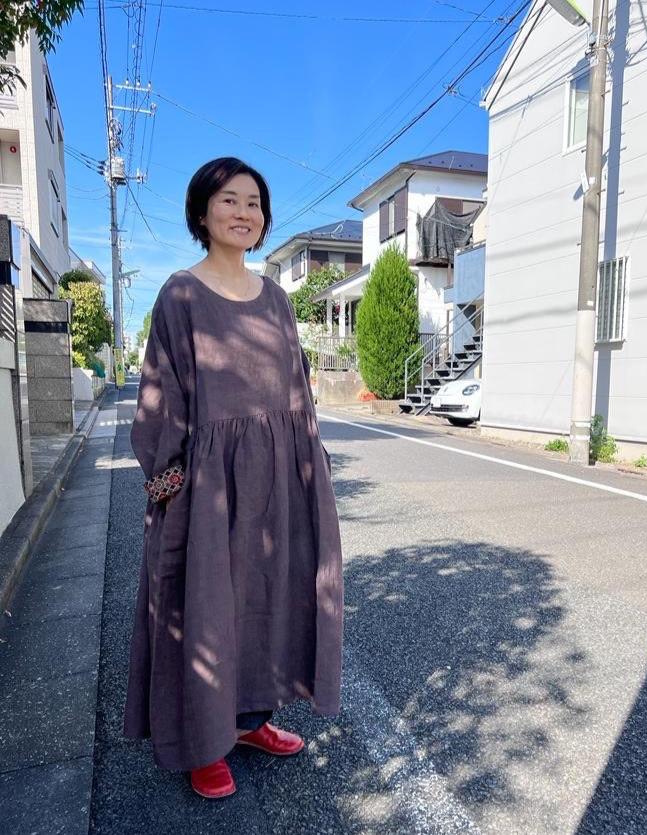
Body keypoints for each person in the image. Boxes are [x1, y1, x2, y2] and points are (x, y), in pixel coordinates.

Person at [122, 157, 344, 799]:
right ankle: (202, 742)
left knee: (267, 602)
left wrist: (308, 471)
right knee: (206, 609)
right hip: (206, 483)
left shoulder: (276, 297)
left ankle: (250, 721)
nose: (244, 212)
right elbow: (160, 397)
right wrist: (172, 480)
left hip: (278, 476)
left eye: (254, 202)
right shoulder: (179, 295)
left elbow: (296, 389)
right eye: (228, 200)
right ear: (201, 213)